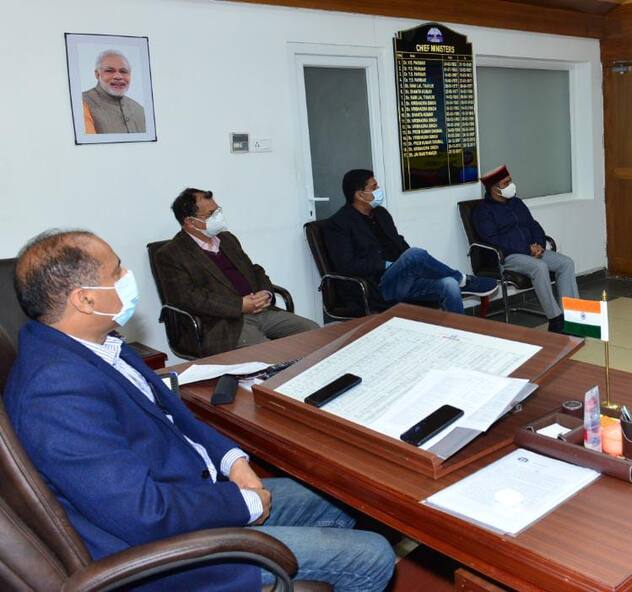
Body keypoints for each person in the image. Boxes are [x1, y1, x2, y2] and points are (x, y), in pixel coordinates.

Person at [4, 230, 395, 591]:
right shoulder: (54, 391)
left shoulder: (101, 345)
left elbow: (177, 418)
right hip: (170, 552)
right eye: (116, 270)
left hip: (193, 493)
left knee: (338, 499)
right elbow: (143, 514)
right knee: (372, 555)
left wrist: (232, 460)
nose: (127, 276)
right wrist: (241, 504)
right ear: (85, 299)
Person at [155, 188, 319, 355]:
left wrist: (265, 293)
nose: (218, 217)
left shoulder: (227, 239)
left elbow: (254, 270)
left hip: (260, 310)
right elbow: (189, 298)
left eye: (218, 210)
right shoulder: (170, 254)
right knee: (273, 353)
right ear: (191, 222)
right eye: (211, 214)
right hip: (222, 324)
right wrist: (239, 306)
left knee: (314, 332)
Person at [323, 169, 497, 314]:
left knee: (449, 284)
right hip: (375, 287)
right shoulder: (338, 224)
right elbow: (347, 265)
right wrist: (387, 265)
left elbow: (399, 243)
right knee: (414, 255)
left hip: (402, 279)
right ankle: (463, 280)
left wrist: (408, 265)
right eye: (374, 187)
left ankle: (459, 334)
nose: (379, 190)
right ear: (360, 195)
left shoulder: (381, 214)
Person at [472, 165, 579, 333]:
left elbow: (533, 225)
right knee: (540, 267)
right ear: (494, 188)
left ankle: (572, 317)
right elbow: (494, 240)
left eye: (510, 181)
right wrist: (526, 249)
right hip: (507, 256)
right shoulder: (483, 211)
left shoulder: (517, 203)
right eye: (506, 183)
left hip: (532, 251)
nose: (511, 185)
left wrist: (539, 245)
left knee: (566, 263)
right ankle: (556, 320)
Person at [81, 49, 146, 134]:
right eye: (109, 71)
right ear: (97, 74)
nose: (118, 76)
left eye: (123, 71)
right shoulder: (82, 103)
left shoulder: (139, 109)